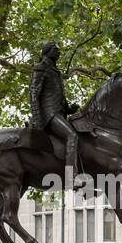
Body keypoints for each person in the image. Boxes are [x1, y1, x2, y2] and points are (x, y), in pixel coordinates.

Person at [29, 40, 81, 179]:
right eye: (56, 49)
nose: (59, 52)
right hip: (49, 115)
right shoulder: (41, 68)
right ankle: (72, 177)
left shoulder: (55, 71)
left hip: (58, 113)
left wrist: (70, 109)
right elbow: (34, 94)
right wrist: (37, 119)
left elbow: (56, 96)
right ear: (48, 51)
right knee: (72, 135)